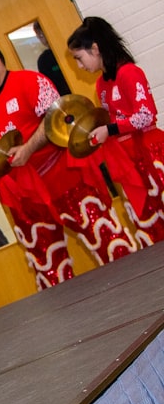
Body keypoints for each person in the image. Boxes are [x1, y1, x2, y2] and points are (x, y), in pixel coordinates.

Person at [0, 39, 136, 290]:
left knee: (107, 238)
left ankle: (141, 291)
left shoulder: (31, 81)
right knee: (48, 267)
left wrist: (28, 148)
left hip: (63, 177)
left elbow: (56, 117)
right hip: (25, 197)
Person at [68, 16, 164, 247]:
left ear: (95, 48)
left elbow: (146, 114)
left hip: (152, 155)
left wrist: (110, 129)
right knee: (149, 228)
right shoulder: (101, 85)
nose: (80, 66)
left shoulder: (129, 73)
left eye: (79, 58)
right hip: (128, 161)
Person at [33, 21, 71, 96]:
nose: (43, 38)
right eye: (39, 36)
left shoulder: (68, 49)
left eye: (42, 34)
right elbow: (48, 86)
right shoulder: (44, 60)